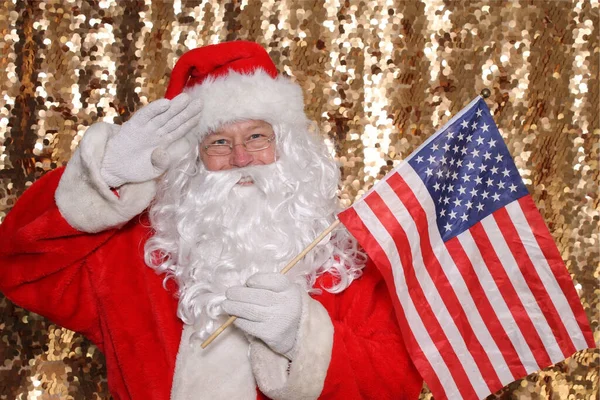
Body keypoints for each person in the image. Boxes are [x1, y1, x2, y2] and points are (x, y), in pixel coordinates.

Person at [0, 41, 422, 399]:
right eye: (218, 142)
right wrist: (104, 178)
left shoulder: (343, 259)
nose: (241, 158)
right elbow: (21, 268)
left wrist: (303, 338)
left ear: (288, 146)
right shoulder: (136, 254)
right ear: (191, 161)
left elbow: (396, 382)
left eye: (257, 136)